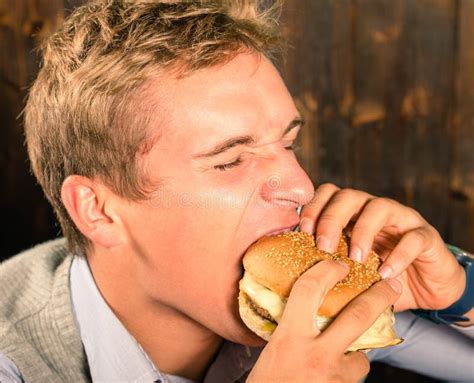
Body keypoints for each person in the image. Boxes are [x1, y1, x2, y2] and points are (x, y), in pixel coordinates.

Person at [0, 1, 472, 382]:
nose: (300, 186)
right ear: (98, 210)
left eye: (288, 142)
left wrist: (456, 293)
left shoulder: (311, 297)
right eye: (230, 159)